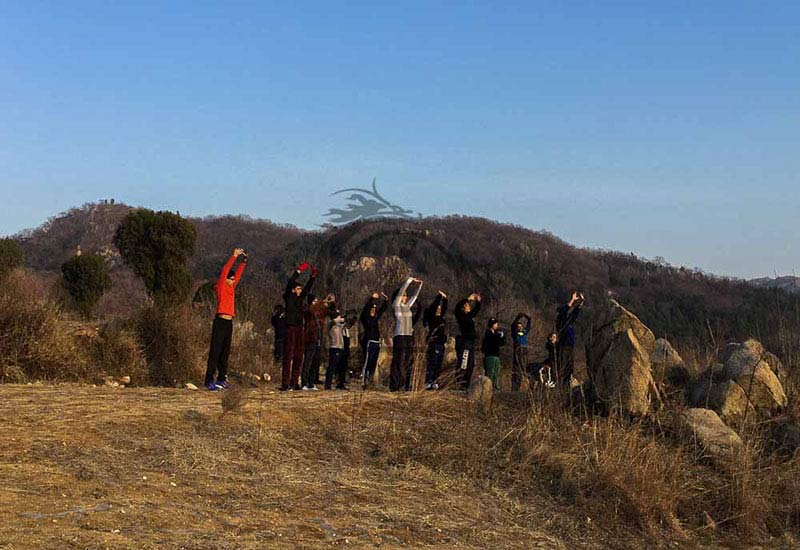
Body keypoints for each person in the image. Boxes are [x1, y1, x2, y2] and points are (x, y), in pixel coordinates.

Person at [204, 248, 247, 391]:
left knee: (225, 352)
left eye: (234, 280)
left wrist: (244, 262)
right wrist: (234, 257)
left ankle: (222, 379)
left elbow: (239, 276)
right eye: (231, 279)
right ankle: (209, 379)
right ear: (226, 279)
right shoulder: (222, 286)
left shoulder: (232, 287)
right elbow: (225, 270)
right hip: (220, 321)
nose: (233, 281)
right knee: (215, 351)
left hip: (229, 322)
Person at [281, 263, 316, 391]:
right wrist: (299, 271)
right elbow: (290, 282)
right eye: (298, 289)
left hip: (299, 328)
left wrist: (312, 276)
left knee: (298, 356)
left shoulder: (300, 300)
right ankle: (285, 383)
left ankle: (294, 382)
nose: (300, 291)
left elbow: (307, 289)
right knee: (288, 355)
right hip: (290, 328)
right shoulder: (288, 297)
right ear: (293, 290)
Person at [389, 276, 423, 392]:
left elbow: (415, 297)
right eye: (403, 295)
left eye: (405, 295)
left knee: (408, 361)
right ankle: (395, 385)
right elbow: (401, 291)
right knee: (398, 361)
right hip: (399, 336)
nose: (405, 296)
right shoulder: (396, 306)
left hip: (409, 336)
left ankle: (407, 385)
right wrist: (409, 281)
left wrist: (419, 286)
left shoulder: (407, 307)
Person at [555, 291, 584, 387]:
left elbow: (574, 314)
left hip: (570, 346)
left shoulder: (568, 322)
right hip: (563, 346)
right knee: (562, 367)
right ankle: (560, 385)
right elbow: (566, 310)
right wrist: (572, 300)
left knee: (569, 368)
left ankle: (566, 385)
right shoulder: (560, 321)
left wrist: (580, 303)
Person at [360, 292, 388, 389]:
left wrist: (386, 301)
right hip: (368, 341)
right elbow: (364, 311)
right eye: (372, 309)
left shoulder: (376, 318)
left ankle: (370, 380)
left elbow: (382, 310)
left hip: (376, 341)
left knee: (373, 362)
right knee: (367, 361)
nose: (373, 310)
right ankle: (364, 380)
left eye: (374, 309)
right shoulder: (365, 318)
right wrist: (371, 299)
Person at [300, 294, 329, 391]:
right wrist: (321, 302)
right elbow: (309, 310)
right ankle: (304, 383)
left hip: (318, 339)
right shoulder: (308, 311)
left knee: (315, 362)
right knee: (308, 361)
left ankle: (311, 383)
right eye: (314, 301)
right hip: (310, 339)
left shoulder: (319, 315)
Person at [454, 293, 482, 390]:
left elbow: (476, 310)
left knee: (471, 364)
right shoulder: (460, 316)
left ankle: (466, 384)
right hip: (464, 342)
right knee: (463, 364)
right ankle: (459, 383)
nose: (469, 306)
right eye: (467, 305)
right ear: (463, 308)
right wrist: (467, 298)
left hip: (471, 342)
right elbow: (457, 308)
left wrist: (478, 302)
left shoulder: (470, 316)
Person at [423, 291, 448, 390]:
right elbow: (433, 307)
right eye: (437, 308)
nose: (439, 309)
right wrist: (439, 298)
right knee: (432, 363)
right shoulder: (431, 318)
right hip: (434, 343)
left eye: (439, 308)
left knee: (438, 364)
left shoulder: (441, 318)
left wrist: (445, 299)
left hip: (441, 344)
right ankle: (428, 381)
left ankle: (435, 381)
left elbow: (445, 308)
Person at [325, 310, 348, 390]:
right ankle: (327, 385)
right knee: (332, 366)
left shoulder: (339, 326)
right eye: (338, 316)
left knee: (341, 367)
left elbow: (347, 324)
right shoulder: (331, 324)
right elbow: (333, 321)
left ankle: (340, 384)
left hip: (341, 348)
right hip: (334, 347)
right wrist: (342, 319)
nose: (340, 318)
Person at [482, 318, 506, 390]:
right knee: (490, 372)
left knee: (496, 372)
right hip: (490, 355)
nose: (496, 325)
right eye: (495, 324)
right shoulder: (488, 332)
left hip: (496, 355)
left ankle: (496, 386)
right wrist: (498, 335)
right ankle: (488, 387)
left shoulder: (495, 333)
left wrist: (502, 337)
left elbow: (501, 343)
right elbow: (492, 340)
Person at [511, 313, 531, 391]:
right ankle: (515, 388)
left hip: (524, 352)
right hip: (517, 352)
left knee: (524, 369)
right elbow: (512, 326)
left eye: (520, 326)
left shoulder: (525, 332)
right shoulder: (514, 333)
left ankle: (525, 387)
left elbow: (529, 326)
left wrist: (528, 318)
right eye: (518, 326)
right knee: (516, 370)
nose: (519, 327)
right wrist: (518, 317)